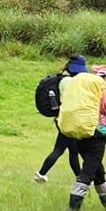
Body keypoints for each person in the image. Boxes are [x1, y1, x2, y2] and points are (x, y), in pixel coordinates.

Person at [62, 63, 106, 211]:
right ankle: (73, 209)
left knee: (98, 171)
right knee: (87, 172)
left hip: (80, 134)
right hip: (97, 137)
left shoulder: (86, 92)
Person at [34, 53, 88, 184]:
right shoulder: (68, 81)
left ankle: (80, 179)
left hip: (63, 119)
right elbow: (69, 102)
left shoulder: (64, 78)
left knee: (73, 151)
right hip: (67, 120)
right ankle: (40, 175)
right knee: (59, 150)